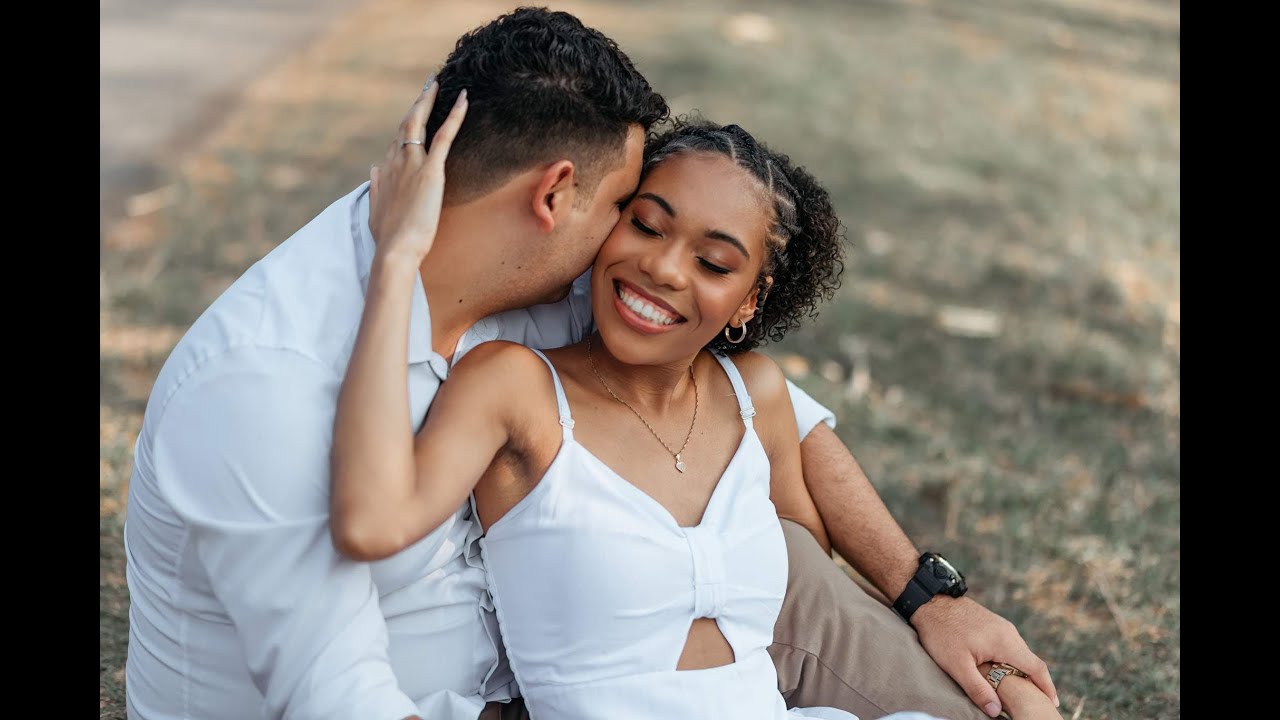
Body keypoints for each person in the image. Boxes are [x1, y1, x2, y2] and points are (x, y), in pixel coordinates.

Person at [124, 7, 1058, 720]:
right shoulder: (261, 384)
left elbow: (769, 412)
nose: (645, 254)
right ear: (557, 195)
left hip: (636, 619)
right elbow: (336, 695)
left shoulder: (553, 275)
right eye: (631, 209)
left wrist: (928, 594)